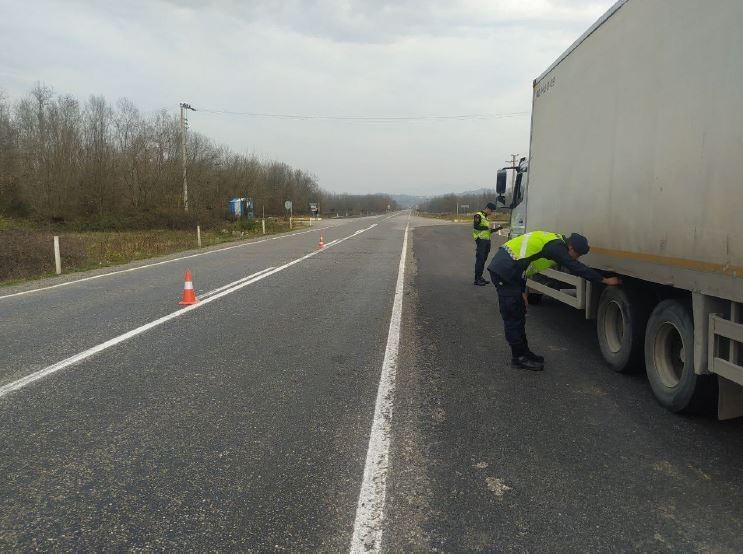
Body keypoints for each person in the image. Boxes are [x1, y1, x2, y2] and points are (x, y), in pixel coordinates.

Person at [487, 231, 622, 371]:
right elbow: (576, 267)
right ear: (571, 248)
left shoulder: (554, 241)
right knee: (513, 317)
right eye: (577, 255)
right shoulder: (556, 247)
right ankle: (518, 358)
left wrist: (522, 291)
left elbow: (523, 262)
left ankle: (524, 352)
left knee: (519, 314)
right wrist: (604, 280)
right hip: (504, 272)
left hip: (512, 271)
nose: (577, 258)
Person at [472, 202, 502, 286]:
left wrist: (497, 229)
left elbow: (488, 231)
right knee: (480, 259)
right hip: (481, 240)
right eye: (491, 211)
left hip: (487, 240)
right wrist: (486, 228)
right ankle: (477, 279)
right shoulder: (478, 215)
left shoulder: (486, 218)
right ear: (487, 208)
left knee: (483, 260)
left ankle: (480, 277)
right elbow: (476, 226)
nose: (492, 213)